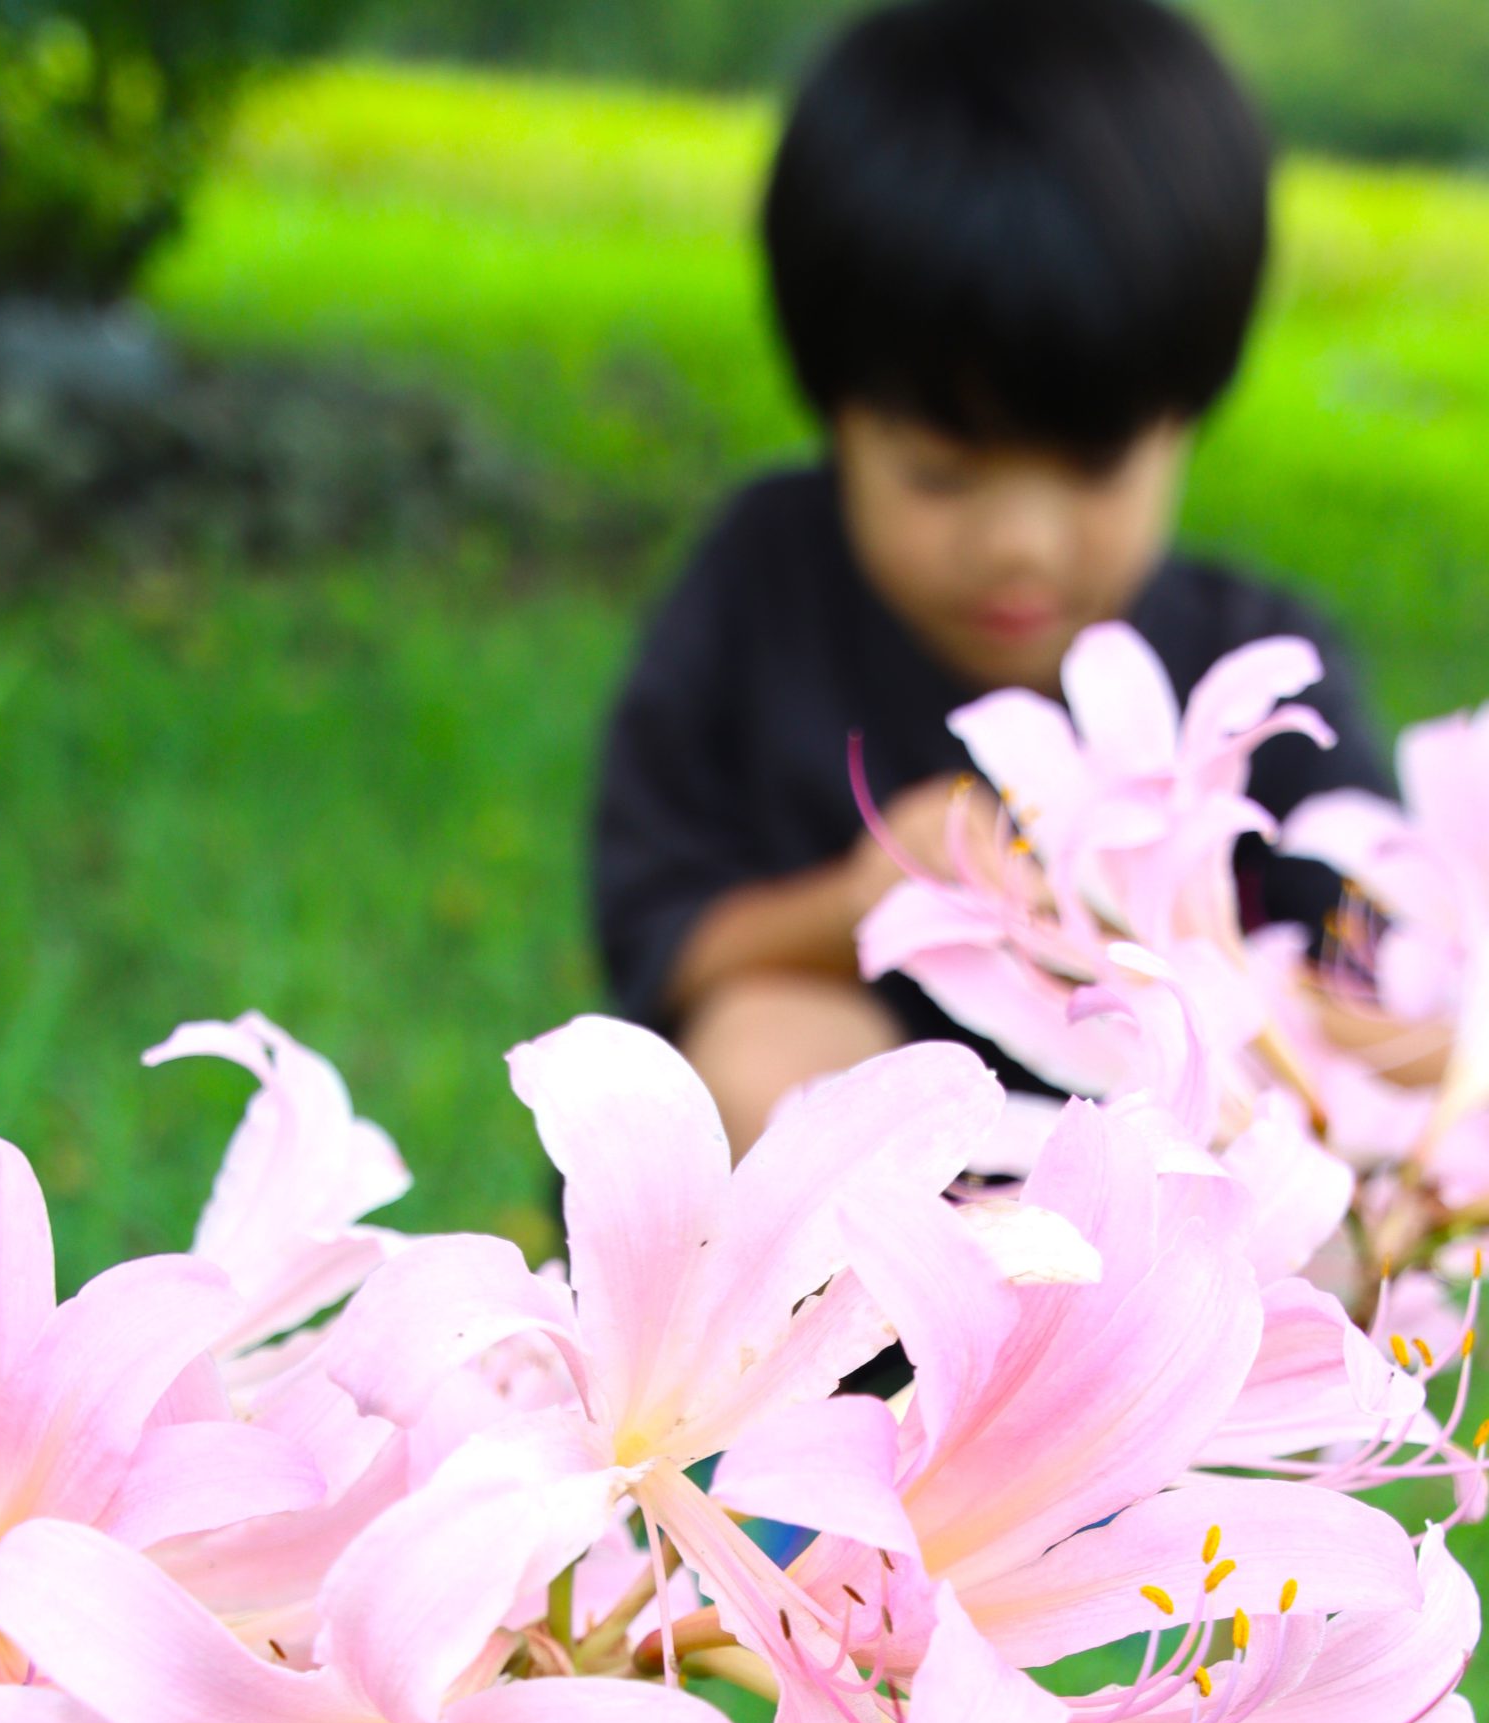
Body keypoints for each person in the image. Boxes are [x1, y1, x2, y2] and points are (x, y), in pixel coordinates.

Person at [591, 0, 1391, 1156]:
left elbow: (1377, 968)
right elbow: (665, 942)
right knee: (765, 1043)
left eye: (1094, 465)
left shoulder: (1259, 662)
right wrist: (861, 900)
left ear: (1188, 412)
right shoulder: (761, 582)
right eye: (940, 473)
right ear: (833, 409)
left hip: (1167, 1196)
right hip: (833, 1194)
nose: (1020, 543)